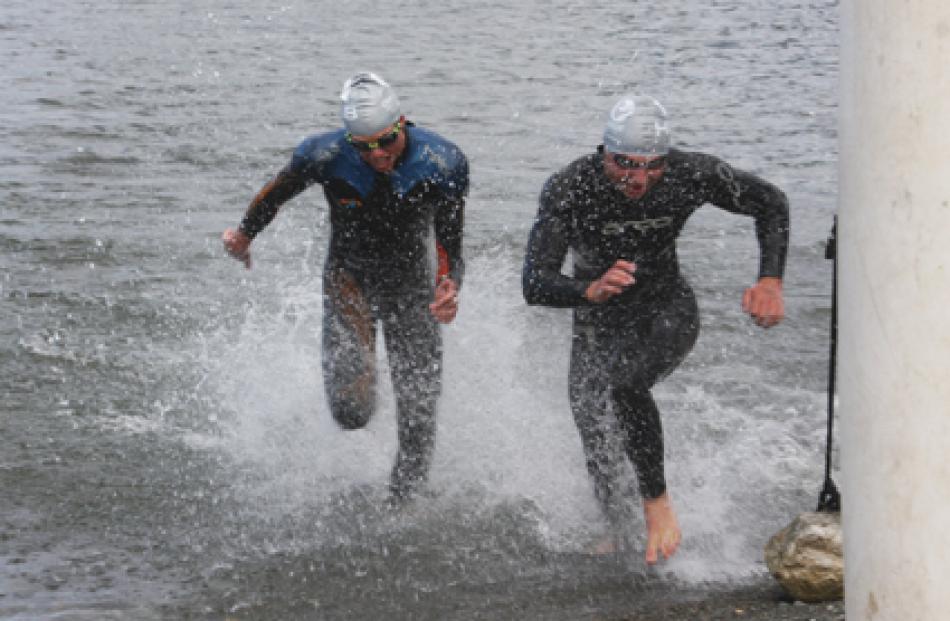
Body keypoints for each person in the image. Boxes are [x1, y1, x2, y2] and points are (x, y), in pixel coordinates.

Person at [522, 94, 788, 564]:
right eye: (625, 164)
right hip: (597, 316)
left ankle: (657, 504)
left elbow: (771, 202)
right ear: (604, 151)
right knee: (591, 421)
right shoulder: (570, 186)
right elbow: (535, 281)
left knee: (626, 384)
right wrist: (590, 290)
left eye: (652, 166)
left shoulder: (691, 173)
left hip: (666, 308)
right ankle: (618, 531)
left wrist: (769, 280)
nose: (638, 180)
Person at [222, 72, 469, 502]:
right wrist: (244, 236)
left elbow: (450, 240)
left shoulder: (442, 161)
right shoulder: (324, 154)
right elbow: (276, 194)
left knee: (418, 407)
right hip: (348, 280)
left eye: (385, 142)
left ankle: (402, 503)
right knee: (351, 413)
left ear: (402, 125)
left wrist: (448, 285)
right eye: (364, 146)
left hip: (412, 286)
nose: (376, 155)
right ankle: (362, 383)